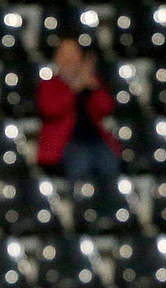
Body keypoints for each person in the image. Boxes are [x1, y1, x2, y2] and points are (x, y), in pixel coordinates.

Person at [36, 38, 122, 182]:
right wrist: (75, 88)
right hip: (66, 144)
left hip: (96, 141)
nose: (69, 60)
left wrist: (94, 87)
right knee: (80, 162)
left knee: (109, 163)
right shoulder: (49, 85)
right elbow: (51, 110)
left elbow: (106, 107)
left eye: (73, 54)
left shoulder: (90, 83)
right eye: (64, 55)